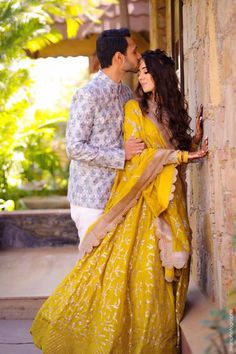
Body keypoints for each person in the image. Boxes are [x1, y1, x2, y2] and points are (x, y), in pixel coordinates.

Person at [30, 49, 208, 353]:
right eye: (139, 71)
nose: (141, 76)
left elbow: (170, 145)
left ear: (162, 76)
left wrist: (191, 141)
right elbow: (139, 158)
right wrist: (180, 155)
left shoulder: (170, 110)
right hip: (145, 204)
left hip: (171, 198)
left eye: (147, 71)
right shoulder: (133, 109)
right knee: (145, 273)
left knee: (179, 257)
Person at [66, 28, 144, 242]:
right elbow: (74, 147)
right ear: (119, 57)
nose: (138, 56)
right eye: (134, 51)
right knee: (92, 268)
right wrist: (121, 154)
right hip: (91, 199)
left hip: (120, 194)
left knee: (113, 271)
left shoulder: (127, 94)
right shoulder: (87, 95)